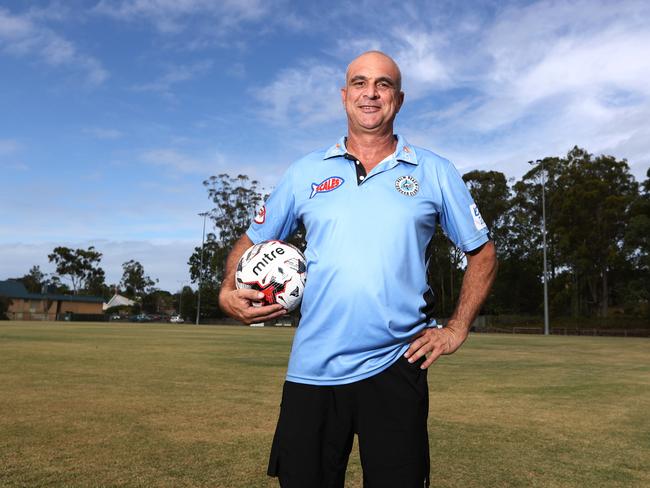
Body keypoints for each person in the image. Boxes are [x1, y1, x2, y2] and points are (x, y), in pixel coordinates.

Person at [219, 51, 497, 487]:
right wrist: (225, 291)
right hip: (313, 368)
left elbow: (482, 253)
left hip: (396, 364)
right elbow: (250, 241)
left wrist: (457, 328)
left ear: (398, 99)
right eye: (360, 83)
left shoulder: (434, 171)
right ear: (344, 95)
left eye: (383, 84)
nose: (371, 93)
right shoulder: (305, 172)